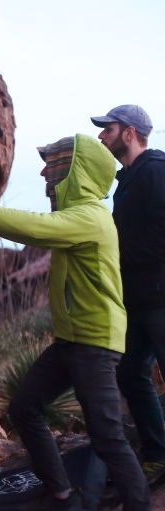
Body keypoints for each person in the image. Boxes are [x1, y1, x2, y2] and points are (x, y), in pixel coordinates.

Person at [0, 134, 156, 511]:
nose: (45, 175)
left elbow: (31, 228)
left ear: (77, 174)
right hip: (72, 340)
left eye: (55, 168)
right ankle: (60, 493)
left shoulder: (91, 216)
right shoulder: (79, 215)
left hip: (96, 343)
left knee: (109, 440)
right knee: (25, 408)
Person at [92, 105, 165, 484]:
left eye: (109, 129)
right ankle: (157, 454)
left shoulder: (156, 170)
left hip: (159, 296)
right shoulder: (128, 179)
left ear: (131, 132)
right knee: (131, 374)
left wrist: (121, 258)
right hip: (135, 300)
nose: (103, 136)